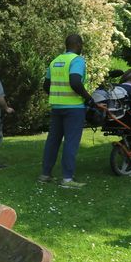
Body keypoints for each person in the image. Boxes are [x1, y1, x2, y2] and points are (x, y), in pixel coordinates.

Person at [38, 34, 94, 188]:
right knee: (71, 142)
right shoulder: (77, 60)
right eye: (81, 44)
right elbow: (75, 81)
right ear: (77, 44)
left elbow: (46, 85)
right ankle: (67, 179)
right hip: (74, 108)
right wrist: (88, 98)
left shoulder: (55, 61)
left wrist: (57, 96)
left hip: (57, 107)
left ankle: (45, 174)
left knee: (52, 141)